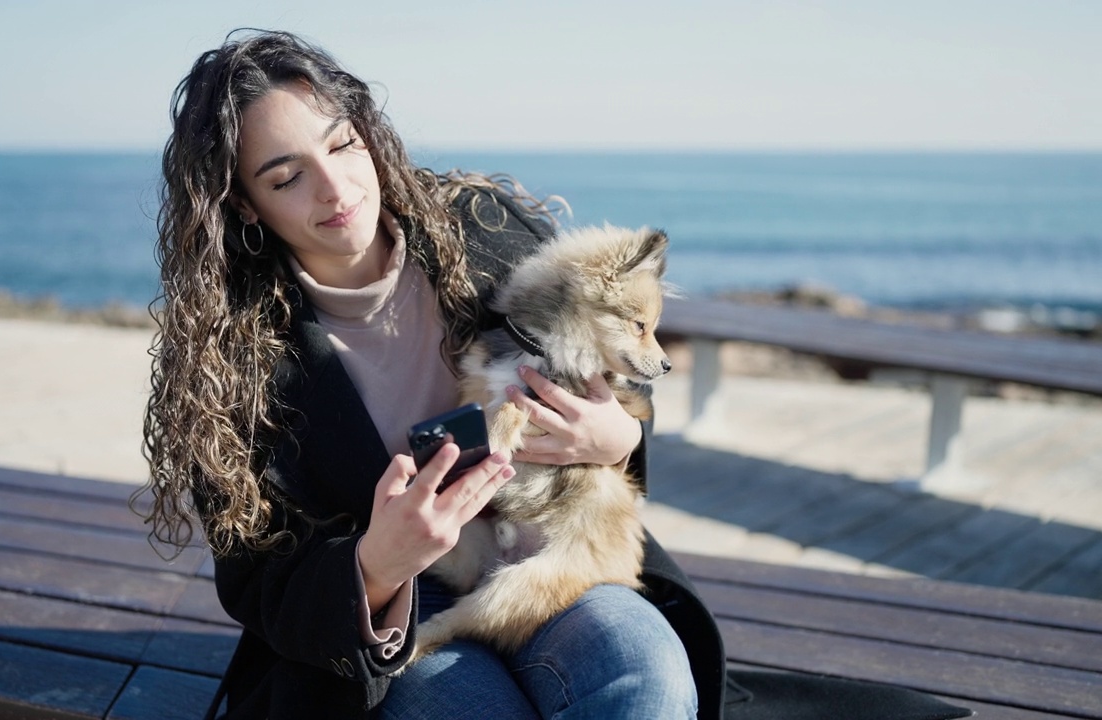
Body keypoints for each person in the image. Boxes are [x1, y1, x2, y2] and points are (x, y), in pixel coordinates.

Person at [137, 28, 971, 720]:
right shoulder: (231, 355)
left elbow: (613, 379)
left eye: (343, 143)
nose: (338, 188)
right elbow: (257, 582)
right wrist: (375, 565)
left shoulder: (481, 228)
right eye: (287, 177)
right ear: (244, 205)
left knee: (645, 672)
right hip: (402, 618)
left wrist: (618, 436)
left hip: (555, 562)